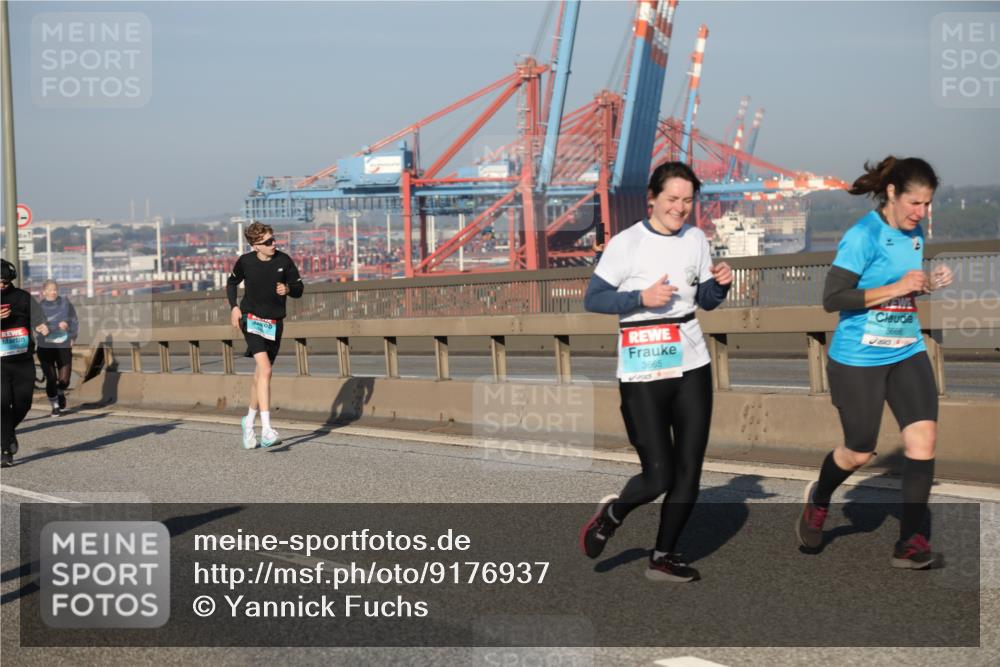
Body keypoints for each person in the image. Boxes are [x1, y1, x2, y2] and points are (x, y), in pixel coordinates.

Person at [579, 162, 733, 582]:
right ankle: (613, 514)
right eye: (672, 200)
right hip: (643, 368)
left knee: (689, 471)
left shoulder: (696, 239)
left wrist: (719, 283)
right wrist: (640, 296)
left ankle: (663, 557)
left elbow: (705, 299)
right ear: (653, 198)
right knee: (658, 475)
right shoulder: (628, 243)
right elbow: (593, 299)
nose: (680, 208)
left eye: (687, 200)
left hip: (692, 363)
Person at [796, 156, 952, 569]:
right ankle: (821, 498)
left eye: (927, 204)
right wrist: (897, 285)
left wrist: (925, 285)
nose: (920, 213)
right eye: (914, 203)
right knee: (859, 451)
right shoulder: (862, 235)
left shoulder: (914, 233)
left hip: (906, 350)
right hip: (858, 359)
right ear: (891, 194)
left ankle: (909, 542)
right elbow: (832, 299)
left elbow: (901, 290)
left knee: (924, 442)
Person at [227, 222, 304, 449]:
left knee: (260, 374)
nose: (274, 244)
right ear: (255, 246)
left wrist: (288, 290)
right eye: (268, 242)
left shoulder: (284, 261)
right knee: (267, 370)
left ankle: (248, 422)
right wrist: (234, 307)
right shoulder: (245, 262)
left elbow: (299, 289)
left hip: (274, 322)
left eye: (274, 239)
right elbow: (232, 283)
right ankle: (267, 429)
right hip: (251, 319)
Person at [1, 259, 46, 467]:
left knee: (23, 403)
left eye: (5, 281)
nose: (2, 285)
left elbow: (38, 317)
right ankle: (4, 451)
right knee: (2, 405)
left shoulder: (23, 297)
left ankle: (7, 434)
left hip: (23, 360)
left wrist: (42, 326)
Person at [35, 280, 79, 417]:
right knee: (51, 378)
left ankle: (60, 392)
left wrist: (72, 335)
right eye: (50, 290)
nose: (53, 292)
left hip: (63, 345)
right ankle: (55, 406)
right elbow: (35, 325)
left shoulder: (66, 304)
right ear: (44, 292)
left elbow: (74, 321)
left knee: (65, 380)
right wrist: (40, 328)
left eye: (55, 290)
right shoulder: (39, 307)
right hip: (45, 346)